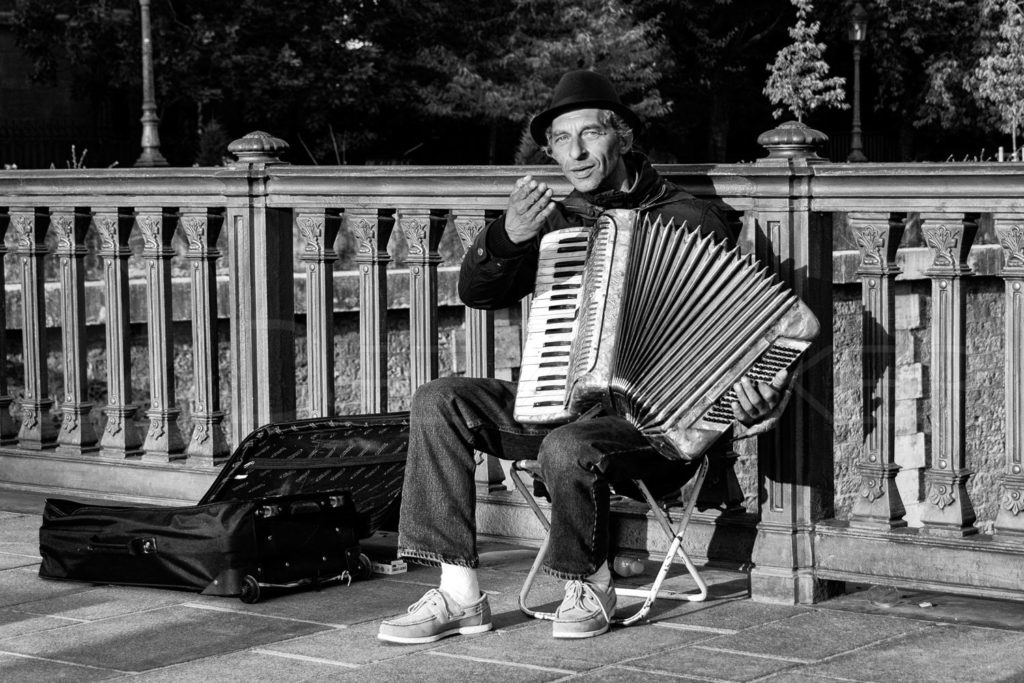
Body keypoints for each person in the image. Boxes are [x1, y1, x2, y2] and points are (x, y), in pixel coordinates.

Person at [378, 70, 790, 644]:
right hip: (559, 405)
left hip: (656, 428)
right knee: (440, 400)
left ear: (619, 135)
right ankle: (459, 594)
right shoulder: (558, 223)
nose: (576, 153)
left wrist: (758, 395)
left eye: (590, 134)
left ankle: (589, 584)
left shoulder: (691, 219)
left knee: (567, 445)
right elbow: (478, 293)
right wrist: (507, 237)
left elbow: (746, 331)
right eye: (561, 142)